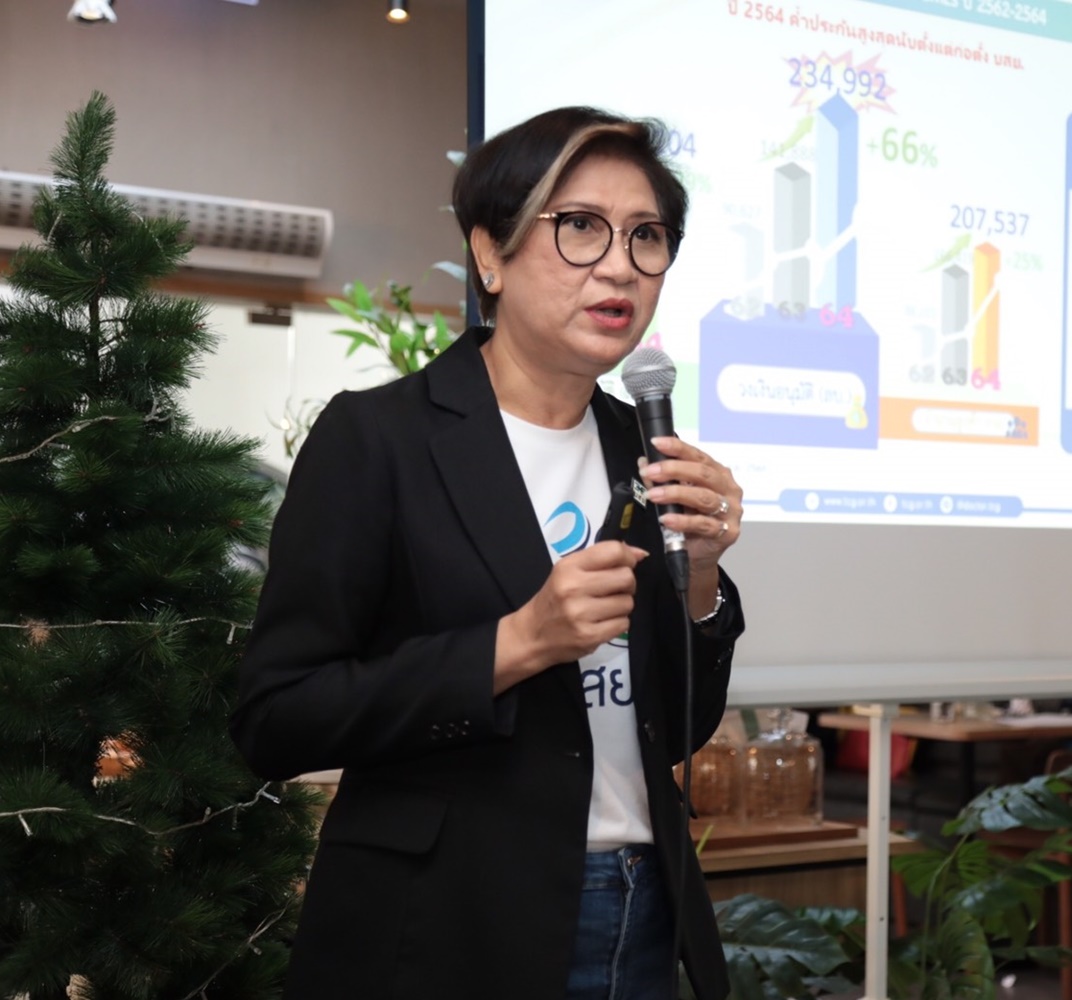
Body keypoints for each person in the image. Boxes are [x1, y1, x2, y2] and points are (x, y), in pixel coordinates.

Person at [230, 106, 744, 1000]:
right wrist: (516, 644)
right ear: (489, 255)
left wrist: (700, 579)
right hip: (448, 921)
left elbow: (679, 726)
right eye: (580, 226)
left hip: (642, 906)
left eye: (647, 235)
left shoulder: (643, 451)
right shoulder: (380, 440)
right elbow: (277, 719)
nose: (620, 265)